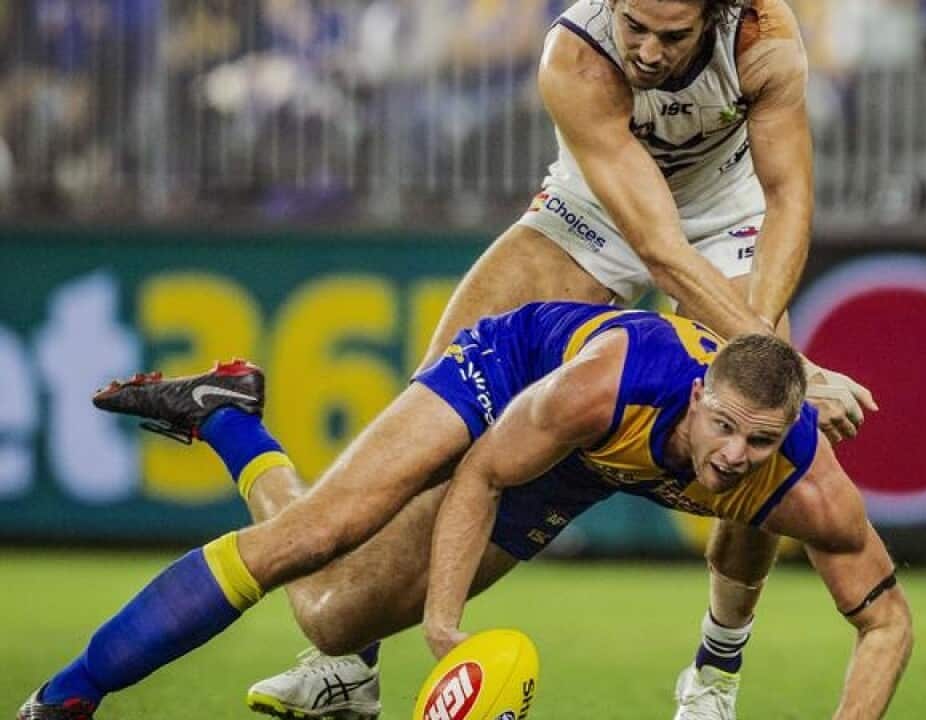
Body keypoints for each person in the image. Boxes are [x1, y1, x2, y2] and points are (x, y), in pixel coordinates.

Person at [243, 1, 875, 719]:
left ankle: (714, 676)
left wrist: (774, 358)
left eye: (671, 36)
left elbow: (789, 193)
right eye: (634, 25)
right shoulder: (573, 53)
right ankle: (352, 665)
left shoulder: (762, 39)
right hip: (593, 210)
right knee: (436, 413)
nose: (645, 51)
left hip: (728, 217)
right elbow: (658, 249)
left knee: (761, 445)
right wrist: (801, 367)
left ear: (714, 15)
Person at [17, 302, 913, 720]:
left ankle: (224, 415)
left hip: (573, 472)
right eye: (723, 427)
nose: (734, 456)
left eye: (761, 443)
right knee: (322, 533)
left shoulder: (800, 481)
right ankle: (65, 696)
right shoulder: (611, 387)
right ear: (697, 397)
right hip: (511, 377)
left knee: (330, 617)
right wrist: (445, 632)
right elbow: (483, 476)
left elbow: (888, 625)